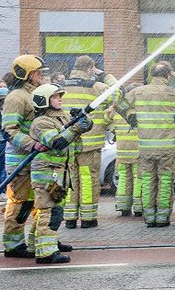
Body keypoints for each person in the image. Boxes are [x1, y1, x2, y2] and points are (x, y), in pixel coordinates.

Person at [123, 62, 175, 227]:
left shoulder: (138, 92)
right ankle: (162, 218)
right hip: (168, 148)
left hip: (146, 147)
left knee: (148, 181)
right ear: (167, 76)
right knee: (165, 181)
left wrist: (129, 115)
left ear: (151, 75)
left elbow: (118, 101)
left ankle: (149, 218)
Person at [27, 83, 89, 264]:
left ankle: (36, 245)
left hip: (59, 173)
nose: (59, 99)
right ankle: (46, 253)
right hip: (47, 174)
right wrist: (76, 127)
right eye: (55, 97)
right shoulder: (41, 122)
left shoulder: (61, 118)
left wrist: (83, 119)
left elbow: (82, 130)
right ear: (44, 101)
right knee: (49, 212)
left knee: (51, 210)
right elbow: (56, 142)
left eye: (59, 96)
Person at [0, 55, 52, 259]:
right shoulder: (16, 97)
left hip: (37, 159)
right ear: (28, 75)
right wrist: (33, 144)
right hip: (21, 159)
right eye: (38, 72)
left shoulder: (36, 94)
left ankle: (42, 240)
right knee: (20, 203)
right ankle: (13, 245)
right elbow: (9, 130)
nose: (41, 75)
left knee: (41, 201)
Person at [59, 55, 119, 229]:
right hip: (89, 144)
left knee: (71, 179)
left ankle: (70, 218)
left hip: (68, 142)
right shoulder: (96, 86)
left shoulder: (61, 87)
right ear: (89, 69)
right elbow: (118, 93)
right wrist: (104, 75)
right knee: (87, 179)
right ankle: (88, 218)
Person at [102, 89, 141, 217]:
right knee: (138, 178)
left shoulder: (116, 112)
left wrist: (111, 108)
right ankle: (139, 207)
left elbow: (105, 120)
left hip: (122, 152)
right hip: (137, 151)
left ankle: (124, 207)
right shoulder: (138, 112)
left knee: (124, 178)